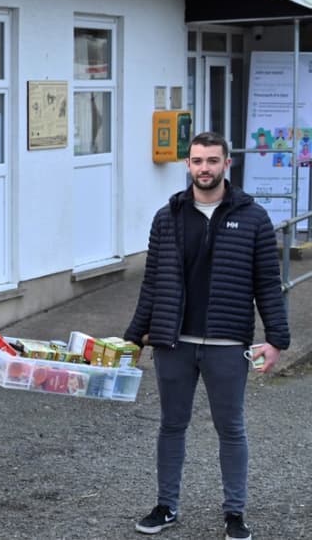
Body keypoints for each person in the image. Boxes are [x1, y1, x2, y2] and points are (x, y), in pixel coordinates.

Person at [124, 131, 289, 540]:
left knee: (231, 428)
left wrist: (276, 340)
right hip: (174, 342)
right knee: (171, 425)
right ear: (187, 164)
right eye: (197, 160)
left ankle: (235, 513)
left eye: (212, 161)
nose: (204, 168)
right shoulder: (168, 216)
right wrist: (133, 336)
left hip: (227, 343)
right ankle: (166, 506)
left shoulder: (253, 217)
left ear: (226, 164)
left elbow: (268, 283)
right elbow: (152, 282)